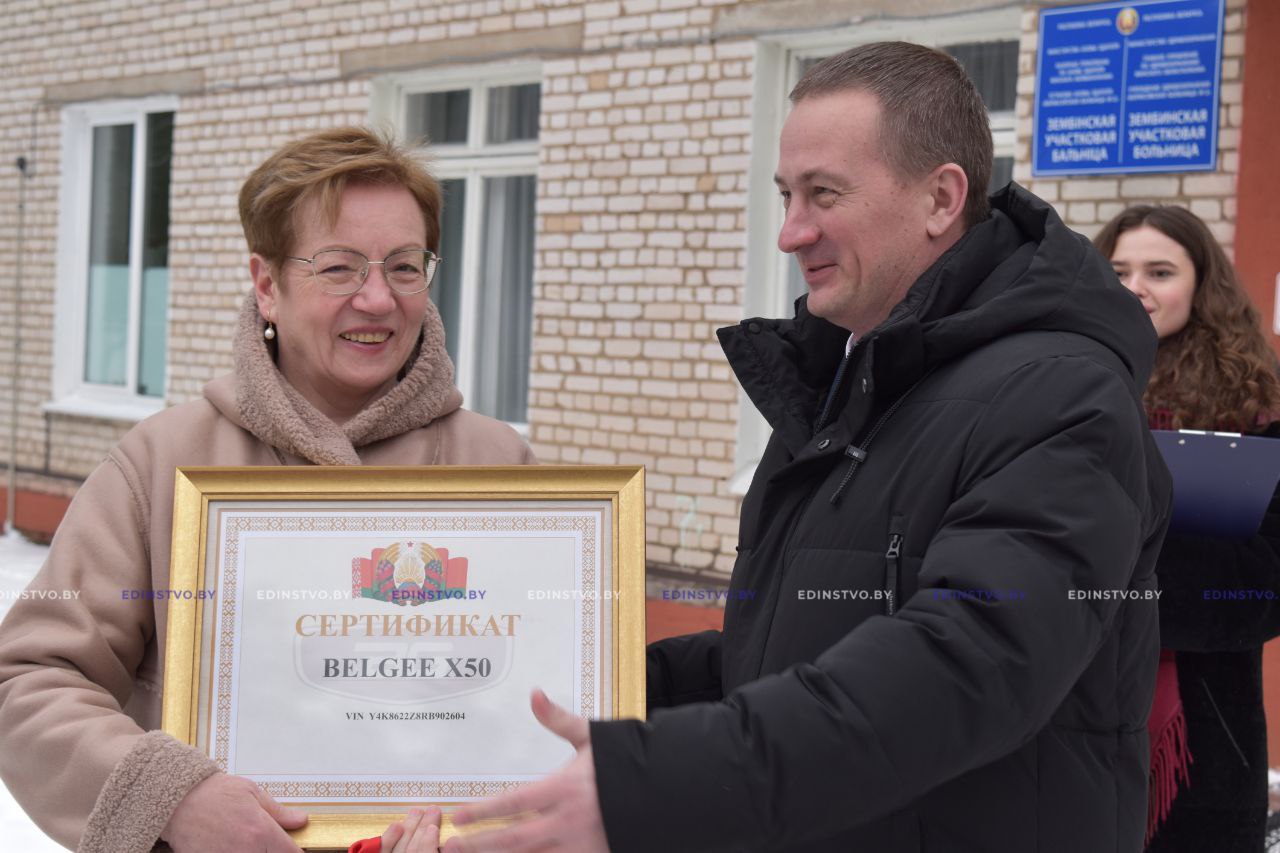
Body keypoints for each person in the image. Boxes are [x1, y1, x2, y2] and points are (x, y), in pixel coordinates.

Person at [406, 40, 1173, 853]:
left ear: (941, 198)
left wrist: (660, 779)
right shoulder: (853, 379)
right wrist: (589, 684)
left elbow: (971, 660)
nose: (790, 232)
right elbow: (785, 647)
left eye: (823, 194)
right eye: (785, 195)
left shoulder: (1061, 396)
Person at [0, 126, 535, 853]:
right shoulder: (163, 464)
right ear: (266, 284)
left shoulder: (502, 469)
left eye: (405, 267)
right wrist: (171, 798)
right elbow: (32, 678)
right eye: (339, 268)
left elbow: (545, 702)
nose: (378, 298)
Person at [1095, 205, 1280, 853]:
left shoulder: (1254, 410)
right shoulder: (1062, 385)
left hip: (1204, 739)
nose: (1135, 287)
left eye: (1159, 271)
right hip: (1066, 720)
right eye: (1118, 270)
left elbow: (1267, 585)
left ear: (1202, 286)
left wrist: (1132, 569)